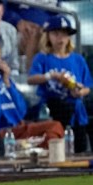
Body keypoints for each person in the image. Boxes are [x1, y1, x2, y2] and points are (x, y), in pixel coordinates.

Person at [0, 41, 64, 153]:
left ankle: (45, 161)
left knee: (53, 131)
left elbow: (21, 111)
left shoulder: (3, 78)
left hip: (17, 128)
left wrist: (7, 81)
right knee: (53, 127)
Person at [27, 15, 92, 153]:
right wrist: (51, 75)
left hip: (76, 109)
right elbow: (31, 79)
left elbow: (87, 86)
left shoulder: (78, 59)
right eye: (56, 34)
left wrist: (80, 91)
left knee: (79, 147)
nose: (60, 38)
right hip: (52, 109)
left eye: (64, 34)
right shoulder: (43, 57)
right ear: (48, 36)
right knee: (56, 148)